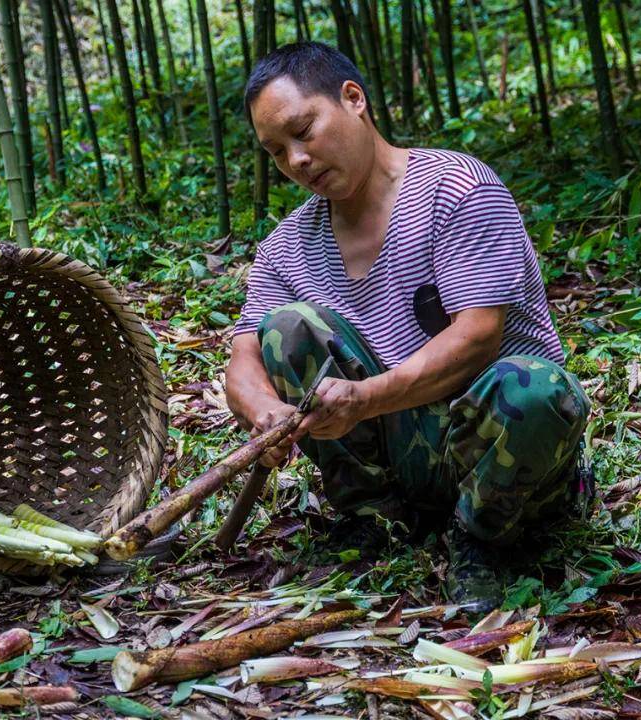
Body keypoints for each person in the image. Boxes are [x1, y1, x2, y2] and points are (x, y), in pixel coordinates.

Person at [223, 42, 591, 612]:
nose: (295, 160)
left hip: (501, 451)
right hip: (402, 449)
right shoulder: (286, 247)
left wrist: (366, 397)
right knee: (286, 327)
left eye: (303, 130)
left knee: (535, 389)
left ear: (353, 99)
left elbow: (477, 337)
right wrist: (263, 411)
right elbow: (244, 354)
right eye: (276, 151)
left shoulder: (458, 189)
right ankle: (373, 516)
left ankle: (480, 538)